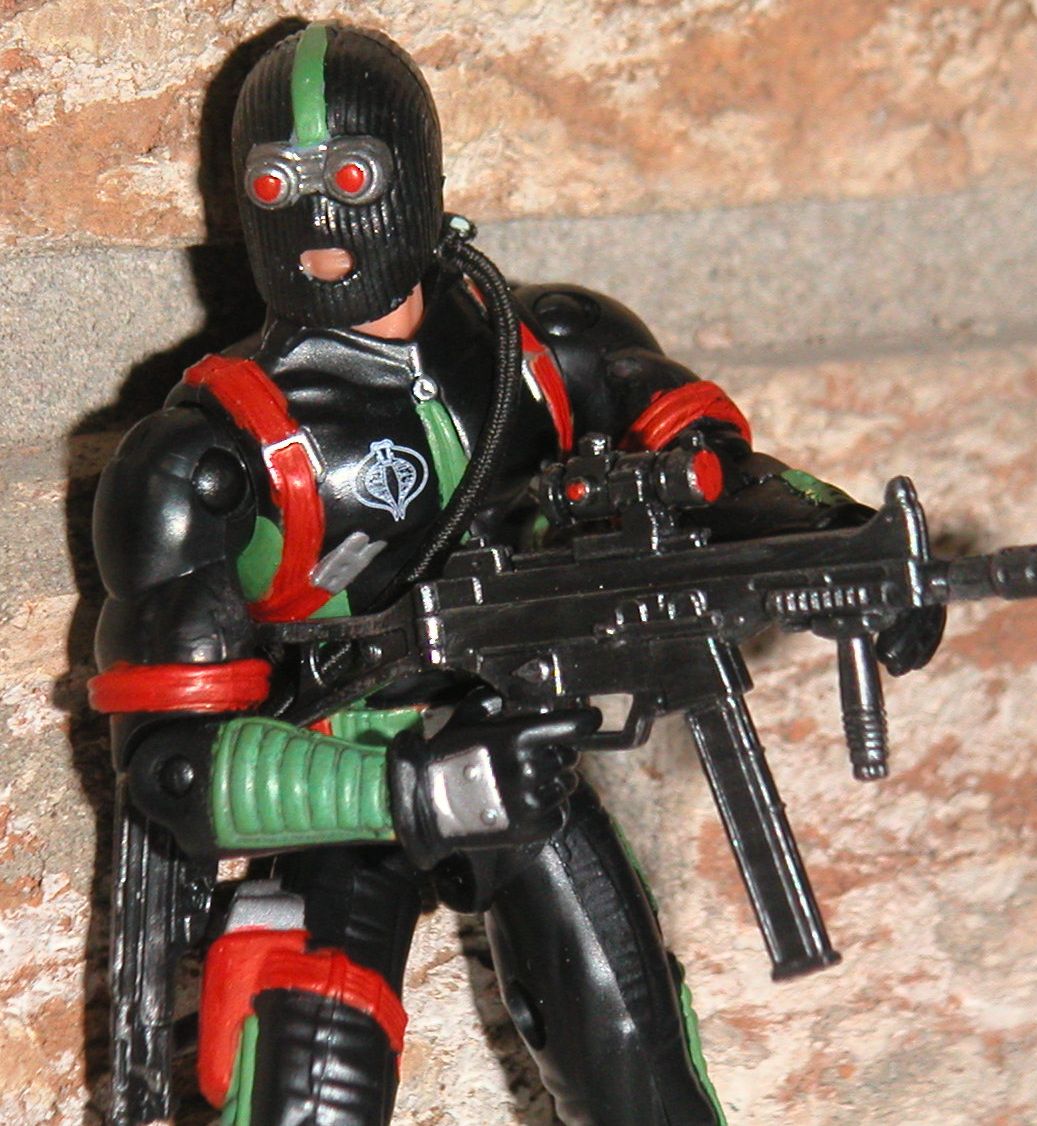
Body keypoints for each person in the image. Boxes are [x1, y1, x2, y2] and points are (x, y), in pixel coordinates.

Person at [90, 23, 942, 1126]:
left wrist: (843, 544)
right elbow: (170, 770)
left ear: (419, 181)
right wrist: (404, 791)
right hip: (333, 775)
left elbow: (712, 473)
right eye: (275, 185)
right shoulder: (205, 453)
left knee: (634, 1053)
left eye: (351, 180)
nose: (318, 223)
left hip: (521, 743)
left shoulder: (544, 351)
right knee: (308, 1082)